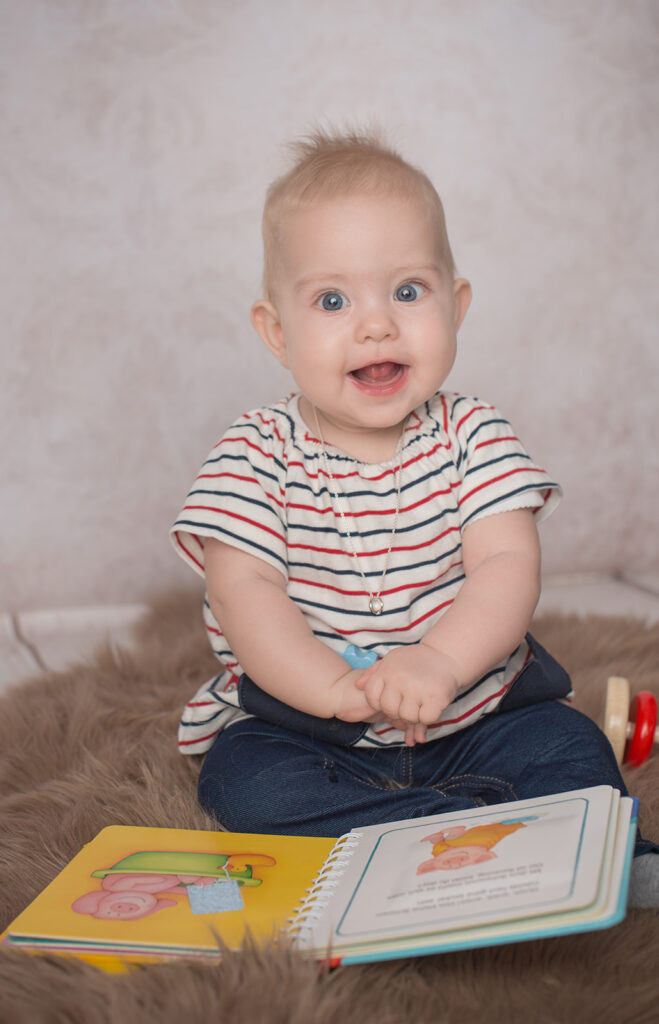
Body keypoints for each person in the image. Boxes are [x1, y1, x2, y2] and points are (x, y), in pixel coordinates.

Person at [170, 129, 657, 902]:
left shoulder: (472, 433)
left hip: (475, 711)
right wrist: (330, 689)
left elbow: (505, 566)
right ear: (276, 332)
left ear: (454, 306)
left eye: (406, 291)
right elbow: (245, 592)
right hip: (307, 723)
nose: (375, 325)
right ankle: (462, 832)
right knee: (245, 783)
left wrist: (440, 664)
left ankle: (588, 849)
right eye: (332, 300)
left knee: (568, 747)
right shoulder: (256, 451)